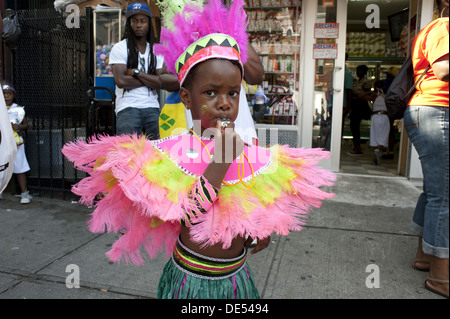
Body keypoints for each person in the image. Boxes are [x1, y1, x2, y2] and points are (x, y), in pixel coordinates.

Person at [62, 0, 335, 299]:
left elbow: (251, 197)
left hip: (235, 280)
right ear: (187, 98)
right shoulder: (173, 153)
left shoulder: (244, 149)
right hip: (192, 282)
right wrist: (219, 163)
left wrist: (260, 226)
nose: (225, 102)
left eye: (233, 92)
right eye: (210, 92)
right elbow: (187, 213)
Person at [406, 0, 448, 298]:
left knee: (435, 190)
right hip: (436, 110)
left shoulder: (435, 27)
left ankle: (424, 256)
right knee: (444, 195)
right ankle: (441, 276)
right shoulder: (444, 26)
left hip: (429, 111)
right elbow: (443, 69)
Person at [108, 2, 178, 138]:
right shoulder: (120, 48)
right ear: (128, 23)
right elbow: (121, 81)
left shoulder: (155, 50)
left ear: (148, 23)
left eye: (142, 21)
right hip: (127, 108)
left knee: (158, 151)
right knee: (128, 153)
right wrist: (151, 79)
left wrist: (136, 73)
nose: (138, 25)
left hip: (152, 107)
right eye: (134, 21)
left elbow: (161, 82)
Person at [0, 83, 32, 204]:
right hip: (1, 142)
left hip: (15, 142)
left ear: (13, 95)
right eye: (3, 94)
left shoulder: (18, 109)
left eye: (9, 94)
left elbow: (26, 125)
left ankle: (24, 193)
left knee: (20, 166)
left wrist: (19, 126)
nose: (6, 96)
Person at [347, 65, 372, 156]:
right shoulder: (355, 81)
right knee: (353, 126)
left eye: (359, 71)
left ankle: (358, 148)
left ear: (364, 72)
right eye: (357, 70)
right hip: (354, 104)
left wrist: (359, 95)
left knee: (355, 126)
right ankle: (356, 146)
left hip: (360, 105)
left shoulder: (366, 82)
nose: (357, 72)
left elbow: (367, 94)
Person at [369, 80, 390, 166]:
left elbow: (361, 96)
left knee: (374, 134)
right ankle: (379, 149)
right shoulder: (387, 96)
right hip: (385, 116)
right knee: (384, 135)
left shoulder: (373, 96)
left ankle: (375, 149)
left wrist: (368, 92)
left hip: (375, 117)